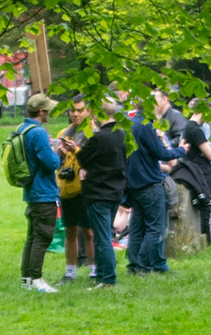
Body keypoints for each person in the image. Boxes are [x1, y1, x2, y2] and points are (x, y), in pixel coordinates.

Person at [124, 101, 186, 275]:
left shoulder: (130, 124)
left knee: (137, 228)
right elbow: (161, 154)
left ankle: (134, 265)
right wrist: (182, 150)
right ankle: (144, 266)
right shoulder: (146, 125)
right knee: (155, 228)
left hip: (134, 184)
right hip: (149, 183)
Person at [76, 99, 128, 288]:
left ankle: (108, 278)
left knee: (103, 236)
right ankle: (102, 274)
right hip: (115, 191)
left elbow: (81, 156)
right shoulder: (121, 135)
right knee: (104, 234)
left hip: (98, 192)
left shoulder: (99, 138)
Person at [14, 93, 61, 292]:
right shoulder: (39, 133)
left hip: (31, 190)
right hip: (44, 191)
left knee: (32, 237)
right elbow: (51, 163)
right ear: (41, 111)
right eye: (48, 109)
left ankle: (27, 278)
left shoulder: (22, 129)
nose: (50, 112)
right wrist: (55, 150)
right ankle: (36, 278)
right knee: (43, 236)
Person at [57, 97, 95, 282]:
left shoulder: (92, 132)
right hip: (67, 189)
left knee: (89, 232)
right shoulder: (65, 132)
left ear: (88, 111)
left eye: (80, 110)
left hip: (86, 189)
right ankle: (70, 272)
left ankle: (93, 270)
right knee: (70, 231)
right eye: (73, 110)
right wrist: (59, 152)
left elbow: (96, 160)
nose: (76, 114)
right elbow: (57, 164)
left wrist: (77, 149)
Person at [169, 104, 211, 244]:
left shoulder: (187, 128)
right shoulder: (195, 129)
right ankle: (205, 243)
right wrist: (208, 150)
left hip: (194, 171)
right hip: (201, 172)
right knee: (205, 210)